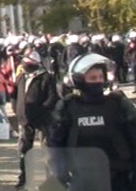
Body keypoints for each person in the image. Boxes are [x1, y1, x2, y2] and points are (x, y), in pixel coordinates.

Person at [48, 53, 136, 191]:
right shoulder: (67, 106)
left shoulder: (118, 104)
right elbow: (56, 142)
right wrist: (59, 169)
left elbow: (133, 135)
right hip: (81, 177)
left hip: (118, 175)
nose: (98, 81)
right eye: (92, 78)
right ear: (79, 80)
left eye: (101, 77)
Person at [12, 52, 58, 190]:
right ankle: (24, 178)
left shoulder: (46, 78)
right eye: (24, 60)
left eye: (28, 61)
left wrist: (41, 111)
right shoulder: (20, 77)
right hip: (24, 119)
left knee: (48, 151)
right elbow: (14, 95)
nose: (25, 63)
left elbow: (52, 98)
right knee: (24, 149)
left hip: (43, 120)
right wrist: (17, 109)